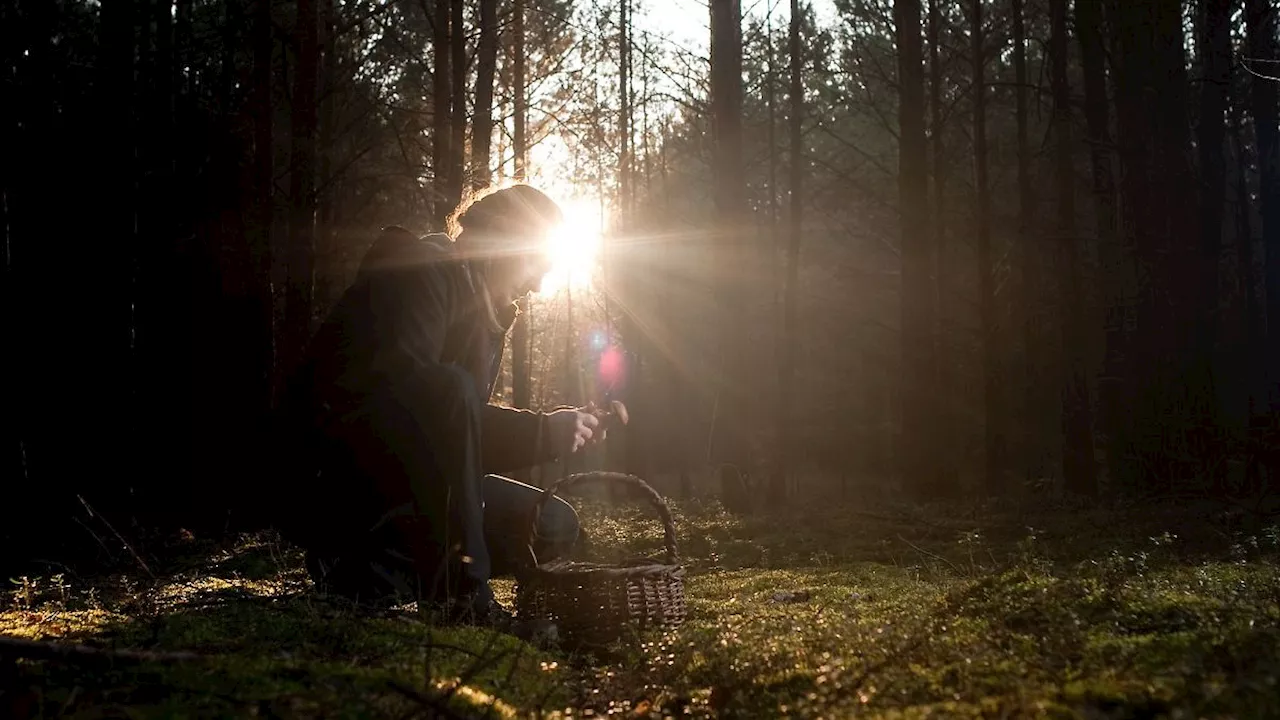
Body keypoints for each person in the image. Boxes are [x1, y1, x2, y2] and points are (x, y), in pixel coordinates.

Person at [271, 185, 603, 627]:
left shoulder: (486, 315)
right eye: (536, 263)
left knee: (554, 522)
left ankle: (373, 575)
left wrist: (547, 433)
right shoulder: (420, 272)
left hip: (411, 488)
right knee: (447, 386)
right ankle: (459, 597)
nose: (540, 284)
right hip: (336, 483)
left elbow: (459, 436)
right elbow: (411, 401)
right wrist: (538, 430)